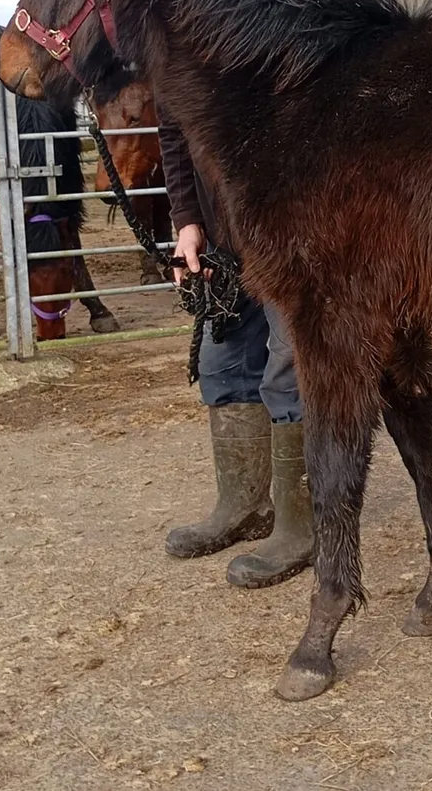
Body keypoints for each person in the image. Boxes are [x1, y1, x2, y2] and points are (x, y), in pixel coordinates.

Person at [157, 100, 313, 588]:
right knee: (222, 361)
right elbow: (173, 128)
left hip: (289, 228)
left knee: (290, 365)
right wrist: (187, 220)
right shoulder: (173, 44)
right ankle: (245, 505)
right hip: (224, 237)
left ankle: (303, 525)